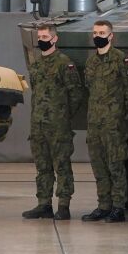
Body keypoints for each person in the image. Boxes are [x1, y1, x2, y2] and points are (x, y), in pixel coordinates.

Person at [22, 24, 83, 221]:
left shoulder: (65, 64)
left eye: (45, 36)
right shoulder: (37, 64)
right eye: (39, 36)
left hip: (58, 126)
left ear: (54, 39)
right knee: (42, 167)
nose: (42, 39)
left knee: (62, 165)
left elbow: (76, 94)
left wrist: (63, 116)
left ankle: (63, 205)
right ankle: (44, 204)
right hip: (38, 125)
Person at [81, 19, 128, 224]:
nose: (98, 36)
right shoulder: (91, 61)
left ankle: (118, 207)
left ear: (111, 36)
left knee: (116, 166)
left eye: (102, 33)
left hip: (114, 123)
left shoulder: (121, 59)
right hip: (95, 122)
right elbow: (89, 88)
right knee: (99, 166)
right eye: (95, 33)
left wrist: (120, 113)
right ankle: (103, 205)